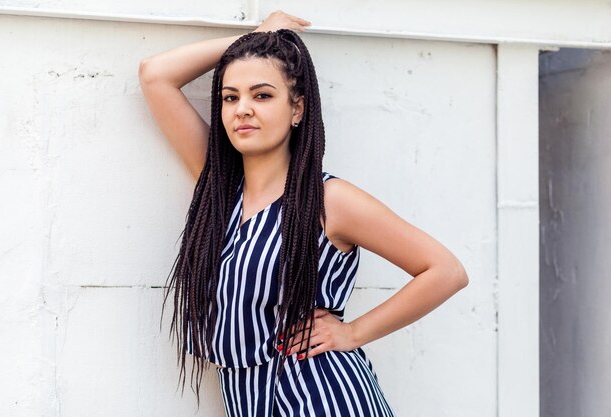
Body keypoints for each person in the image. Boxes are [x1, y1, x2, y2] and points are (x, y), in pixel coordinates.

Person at [138, 10, 469, 417]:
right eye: (230, 96)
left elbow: (445, 271)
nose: (242, 109)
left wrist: (353, 332)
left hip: (323, 398)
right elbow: (155, 75)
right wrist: (257, 39)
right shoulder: (220, 189)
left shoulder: (329, 200)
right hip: (249, 402)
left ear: (297, 109)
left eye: (262, 95)